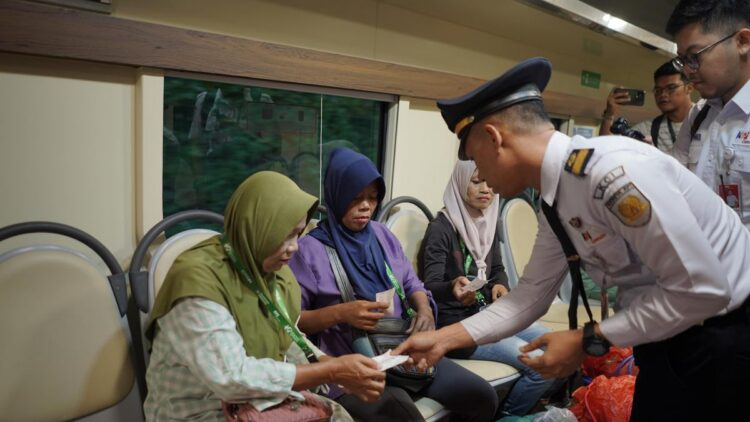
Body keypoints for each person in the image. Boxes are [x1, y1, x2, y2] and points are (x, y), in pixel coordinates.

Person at [393, 57, 750, 421]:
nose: (480, 174)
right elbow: (529, 297)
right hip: (671, 338)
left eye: (475, 158)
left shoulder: (611, 174)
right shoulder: (557, 196)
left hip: (724, 338)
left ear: (494, 138)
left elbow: (703, 288)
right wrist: (442, 339)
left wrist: (588, 340)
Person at [144, 171, 385, 421]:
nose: (294, 247)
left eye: (298, 234)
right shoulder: (198, 281)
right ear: (257, 228)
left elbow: (287, 334)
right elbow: (232, 378)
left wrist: (324, 361)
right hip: (199, 409)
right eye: (285, 235)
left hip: (255, 402)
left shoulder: (269, 272)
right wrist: (331, 371)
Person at [289, 148, 499, 422]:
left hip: (401, 347)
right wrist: (341, 313)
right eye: (355, 198)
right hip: (349, 360)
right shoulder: (308, 250)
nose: (366, 206)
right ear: (337, 195)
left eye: (372, 198)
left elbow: (412, 283)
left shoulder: (381, 235)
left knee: (482, 397)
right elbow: (294, 323)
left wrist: (424, 311)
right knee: (401, 415)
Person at [419, 160, 555, 416]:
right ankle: (506, 417)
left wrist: (500, 285)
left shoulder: (488, 221)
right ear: (461, 183)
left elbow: (497, 269)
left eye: (490, 182)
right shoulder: (441, 228)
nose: (486, 189)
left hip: (487, 314)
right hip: (456, 325)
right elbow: (429, 287)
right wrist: (452, 287)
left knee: (553, 345)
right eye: (476, 182)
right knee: (541, 366)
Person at [667, 0, 750, 230]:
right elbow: (675, 179)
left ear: (743, 42)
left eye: (695, 56)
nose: (687, 70)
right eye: (683, 60)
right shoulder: (699, 115)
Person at [599, 61, 694, 154]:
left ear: (689, 88)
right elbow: (607, 150)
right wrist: (609, 113)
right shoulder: (649, 129)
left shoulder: (702, 118)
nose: (663, 94)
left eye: (671, 88)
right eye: (658, 90)